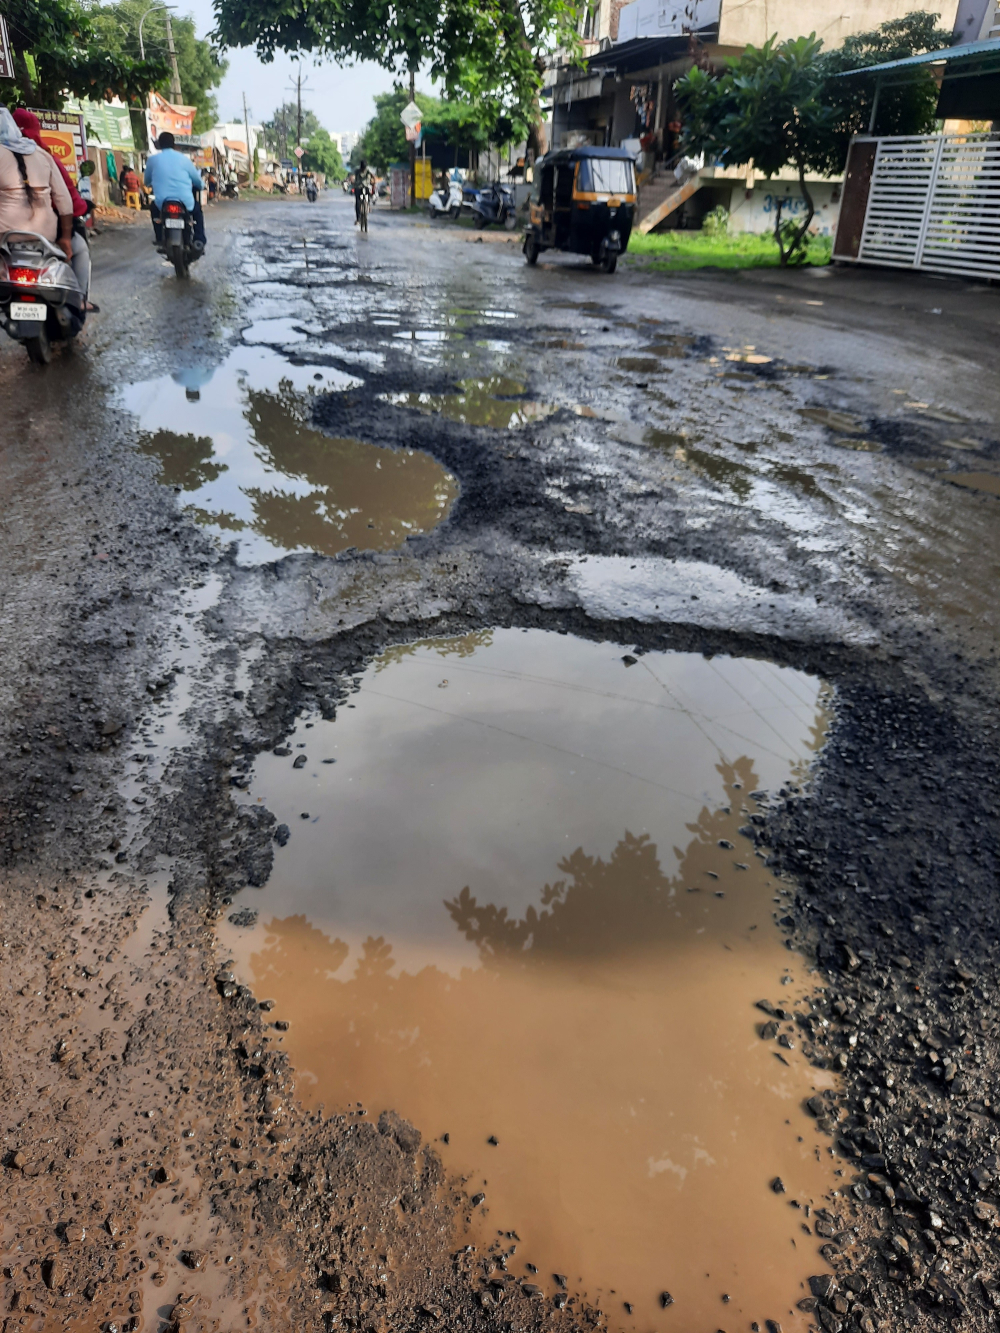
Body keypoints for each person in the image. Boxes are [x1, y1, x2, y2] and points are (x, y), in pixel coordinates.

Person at [10, 109, 95, 307]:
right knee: (79, 248)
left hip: (9, 230)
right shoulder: (46, 158)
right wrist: (80, 210)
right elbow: (67, 198)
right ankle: (81, 300)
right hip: (46, 230)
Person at [0, 105, 74, 265]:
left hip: (5, 238)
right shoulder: (42, 154)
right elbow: (65, 202)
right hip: (45, 237)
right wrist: (66, 238)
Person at [143, 131, 206, 248]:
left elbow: (146, 181)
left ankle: (159, 238)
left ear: (160, 145)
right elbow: (197, 180)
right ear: (174, 144)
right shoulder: (184, 159)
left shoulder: (152, 160)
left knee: (154, 209)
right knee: (197, 212)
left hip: (162, 203)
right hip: (185, 202)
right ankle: (199, 239)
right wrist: (202, 185)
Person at [354, 158, 375, 225]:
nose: (363, 169)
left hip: (366, 187)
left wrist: (373, 182)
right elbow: (353, 178)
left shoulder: (368, 171)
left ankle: (368, 206)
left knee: (368, 197)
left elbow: (373, 177)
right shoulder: (357, 171)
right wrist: (353, 182)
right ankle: (358, 219)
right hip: (358, 188)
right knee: (357, 202)